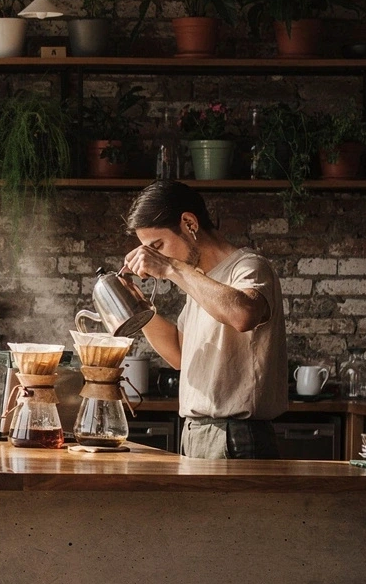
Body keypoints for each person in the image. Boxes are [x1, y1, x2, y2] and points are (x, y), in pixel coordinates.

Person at [120, 181, 287, 460]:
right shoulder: (200, 281)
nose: (154, 256)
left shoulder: (249, 267)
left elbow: (243, 314)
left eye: (157, 245)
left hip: (236, 436)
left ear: (189, 223)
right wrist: (135, 306)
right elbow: (179, 354)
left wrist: (171, 267)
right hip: (197, 433)